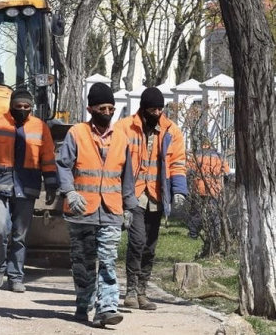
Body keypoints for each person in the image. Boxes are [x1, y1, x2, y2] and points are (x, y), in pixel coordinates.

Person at [56, 82, 138, 328]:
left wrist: (129, 207)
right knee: (82, 261)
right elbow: (63, 165)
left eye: (111, 108)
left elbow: (127, 176)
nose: (107, 112)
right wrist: (69, 192)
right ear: (91, 109)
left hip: (111, 211)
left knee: (108, 260)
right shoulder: (77, 134)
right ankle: (83, 302)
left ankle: (107, 308)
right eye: (102, 107)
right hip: (81, 211)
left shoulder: (122, 138)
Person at [0, 89, 58, 293]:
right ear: (11, 106)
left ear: (32, 107)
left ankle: (16, 276)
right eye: (18, 107)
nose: (22, 110)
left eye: (27, 107)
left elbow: (47, 158)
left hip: (27, 186)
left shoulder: (41, 128)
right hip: (0, 185)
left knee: (20, 235)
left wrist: (52, 184)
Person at [114, 87, 188, 310]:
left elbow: (177, 162)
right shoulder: (124, 127)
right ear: (143, 109)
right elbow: (115, 161)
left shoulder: (171, 131)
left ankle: (143, 292)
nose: (157, 112)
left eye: (160, 108)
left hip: (156, 194)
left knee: (150, 246)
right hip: (133, 194)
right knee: (136, 241)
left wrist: (178, 190)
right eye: (152, 109)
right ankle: (131, 291)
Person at [186, 139, 230, 239]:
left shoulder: (195, 155)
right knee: (214, 213)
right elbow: (227, 173)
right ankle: (215, 235)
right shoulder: (220, 156)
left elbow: (188, 171)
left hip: (198, 188)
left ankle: (193, 234)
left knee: (196, 212)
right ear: (212, 145)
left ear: (202, 144)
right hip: (214, 189)